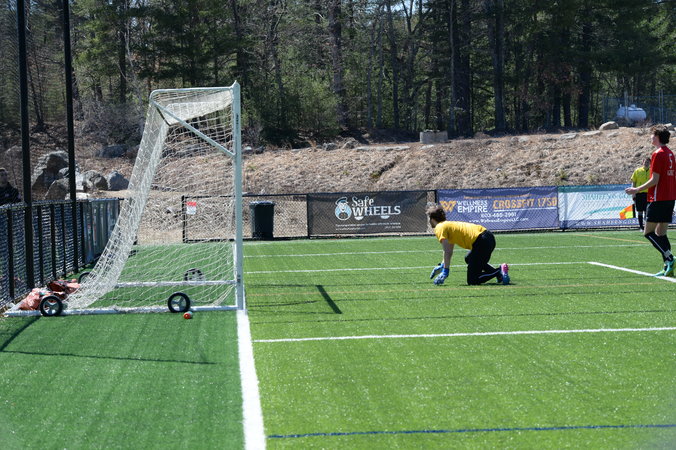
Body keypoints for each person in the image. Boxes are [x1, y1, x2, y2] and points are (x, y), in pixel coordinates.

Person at [625, 125, 676, 277]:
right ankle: (668, 267)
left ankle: (670, 258)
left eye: (652, 135)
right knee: (661, 233)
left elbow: (655, 180)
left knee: (648, 233)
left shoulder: (658, 154)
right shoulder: (670, 154)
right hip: (669, 198)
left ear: (657, 137)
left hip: (658, 198)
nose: (650, 137)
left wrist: (636, 189)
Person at [427, 204, 510, 286]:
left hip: (481, 241)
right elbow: (449, 250)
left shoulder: (439, 227)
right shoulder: (446, 225)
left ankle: (499, 271)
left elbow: (447, 252)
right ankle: (499, 275)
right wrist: (442, 265)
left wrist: (445, 271)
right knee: (468, 258)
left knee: (472, 280)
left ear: (432, 219)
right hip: (487, 237)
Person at [630, 156, 651, 230]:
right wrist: (633, 193)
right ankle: (641, 227)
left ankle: (647, 227)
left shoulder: (652, 171)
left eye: (648, 162)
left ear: (650, 163)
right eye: (645, 162)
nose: (646, 163)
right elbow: (634, 182)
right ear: (643, 162)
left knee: (647, 211)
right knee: (640, 211)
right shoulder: (637, 171)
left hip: (648, 194)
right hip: (639, 193)